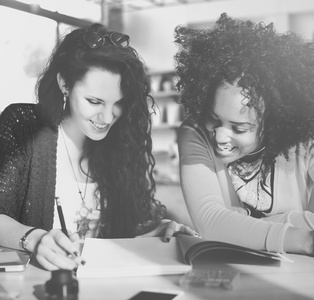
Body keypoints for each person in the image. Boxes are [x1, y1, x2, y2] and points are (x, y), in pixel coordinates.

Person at [0, 23, 197, 271]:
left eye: (119, 103)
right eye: (94, 101)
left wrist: (151, 231)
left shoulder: (120, 141)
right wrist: (35, 238)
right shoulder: (24, 126)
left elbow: (116, 231)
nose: (107, 117)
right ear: (65, 85)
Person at [174, 13, 314, 256]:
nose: (219, 137)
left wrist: (236, 228)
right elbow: (210, 222)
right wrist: (302, 238)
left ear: (273, 122)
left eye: (239, 128)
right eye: (213, 118)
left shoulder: (306, 140)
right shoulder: (194, 132)